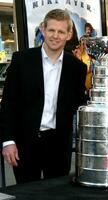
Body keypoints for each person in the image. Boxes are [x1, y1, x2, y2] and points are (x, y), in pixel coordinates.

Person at [0, 9, 87, 184]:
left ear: (69, 35)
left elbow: (79, 105)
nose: (55, 36)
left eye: (61, 31)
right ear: (43, 29)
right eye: (51, 30)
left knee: (57, 193)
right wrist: (8, 141)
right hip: (24, 143)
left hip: (59, 145)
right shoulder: (21, 60)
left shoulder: (77, 68)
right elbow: (9, 104)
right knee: (26, 193)